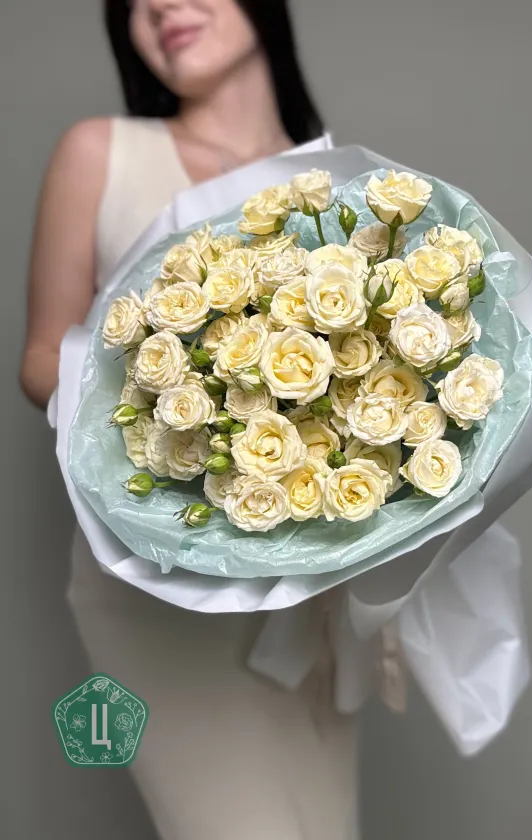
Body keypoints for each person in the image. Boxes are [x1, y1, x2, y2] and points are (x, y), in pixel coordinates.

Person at [20, 2, 358, 838]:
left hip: (306, 587)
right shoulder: (101, 151)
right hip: (155, 576)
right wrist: (173, 397)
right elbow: (41, 357)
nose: (159, 6)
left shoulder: (336, 181)